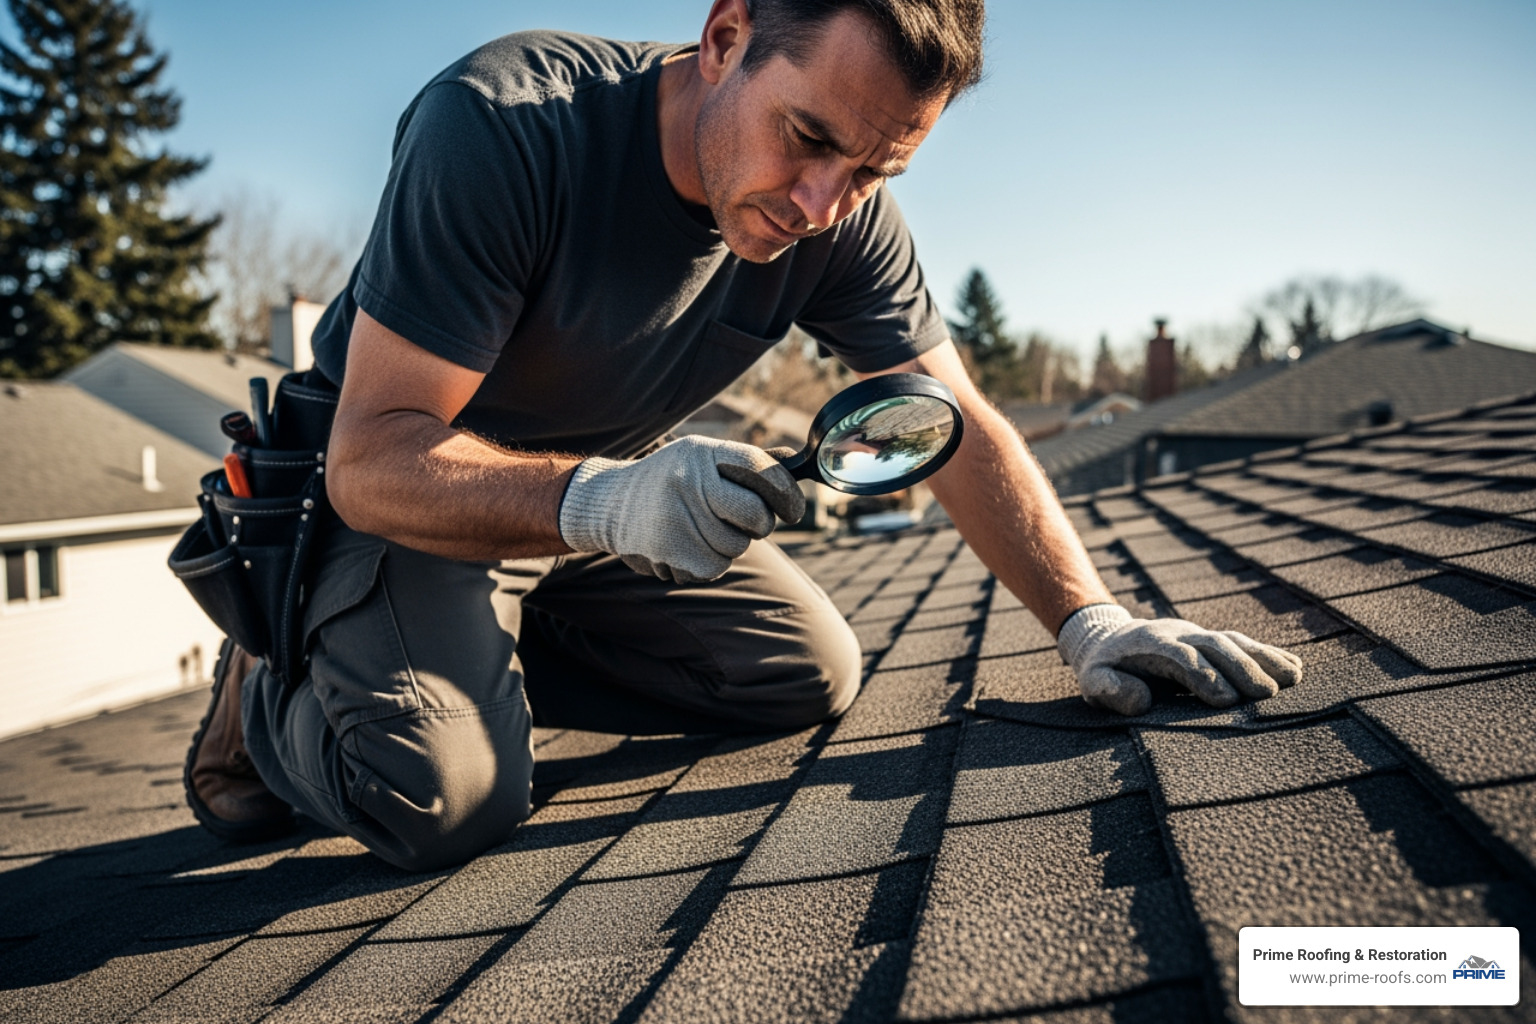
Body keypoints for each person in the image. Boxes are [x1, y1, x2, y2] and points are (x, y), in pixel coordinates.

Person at [185, 0, 1302, 871]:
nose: (823, 201)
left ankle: (466, 663)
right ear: (725, 37)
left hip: (572, 518)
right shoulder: (503, 128)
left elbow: (953, 424)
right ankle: (275, 684)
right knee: (443, 802)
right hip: (391, 508)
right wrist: (607, 502)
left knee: (805, 671)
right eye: (807, 138)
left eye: (871, 170)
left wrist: (1089, 621)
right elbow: (374, 455)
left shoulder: (845, 212)